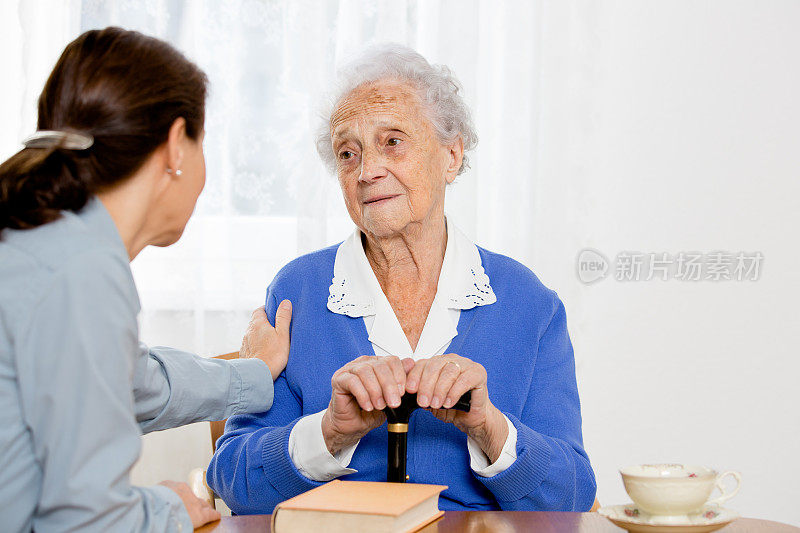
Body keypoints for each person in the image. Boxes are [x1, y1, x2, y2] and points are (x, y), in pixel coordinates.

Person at [207, 44, 596, 513]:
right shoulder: (298, 292)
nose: (368, 171)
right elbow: (233, 480)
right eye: (348, 154)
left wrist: (489, 428)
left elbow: (573, 494)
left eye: (393, 141)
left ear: (451, 156)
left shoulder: (528, 302)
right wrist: (330, 431)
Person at [0, 28, 292, 532]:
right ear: (177, 146)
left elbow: (136, 382)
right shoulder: (82, 274)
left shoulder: (42, 242)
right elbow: (87, 522)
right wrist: (173, 507)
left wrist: (254, 373)